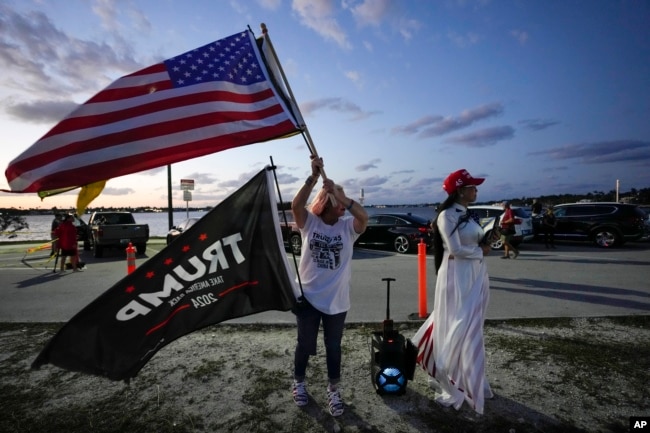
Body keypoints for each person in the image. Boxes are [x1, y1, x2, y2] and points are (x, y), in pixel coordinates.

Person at [290, 155, 368, 417]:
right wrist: (313, 177)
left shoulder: (349, 228)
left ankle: (334, 391)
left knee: (333, 347)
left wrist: (342, 195)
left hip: (337, 301)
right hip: (308, 298)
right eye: (337, 202)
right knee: (305, 344)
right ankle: (299, 382)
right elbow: (297, 204)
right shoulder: (309, 223)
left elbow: (363, 217)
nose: (343, 208)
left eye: (343, 202)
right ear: (325, 203)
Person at [411, 169, 492, 415]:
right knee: (458, 325)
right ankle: (449, 374)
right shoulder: (446, 215)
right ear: (459, 190)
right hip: (457, 276)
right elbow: (454, 249)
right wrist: (481, 251)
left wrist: (487, 238)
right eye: (472, 187)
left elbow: (472, 241)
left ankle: (469, 376)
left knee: (472, 326)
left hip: (475, 274)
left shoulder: (467, 214)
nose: (476, 190)